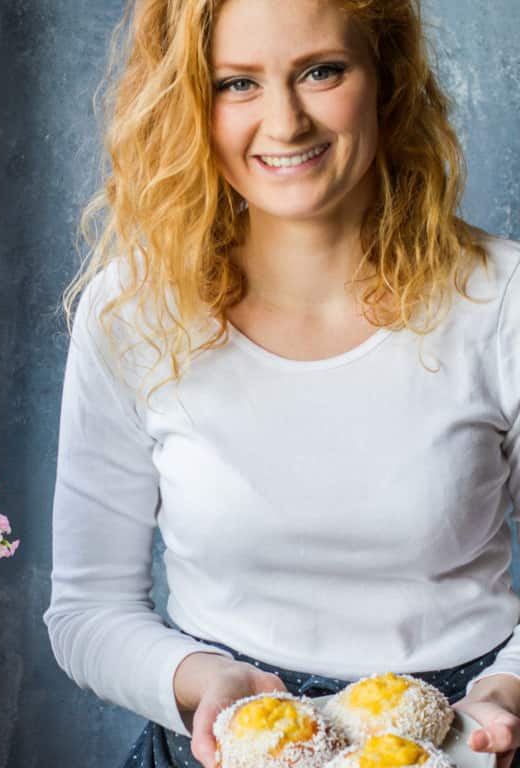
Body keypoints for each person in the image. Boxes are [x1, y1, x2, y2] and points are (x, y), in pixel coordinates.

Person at [44, 1, 520, 767]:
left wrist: (505, 691)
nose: (286, 121)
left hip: (463, 738)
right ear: (188, 102)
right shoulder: (132, 310)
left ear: (386, 77)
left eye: (321, 72)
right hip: (224, 739)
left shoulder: (502, 301)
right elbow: (88, 611)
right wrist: (207, 682)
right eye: (237, 83)